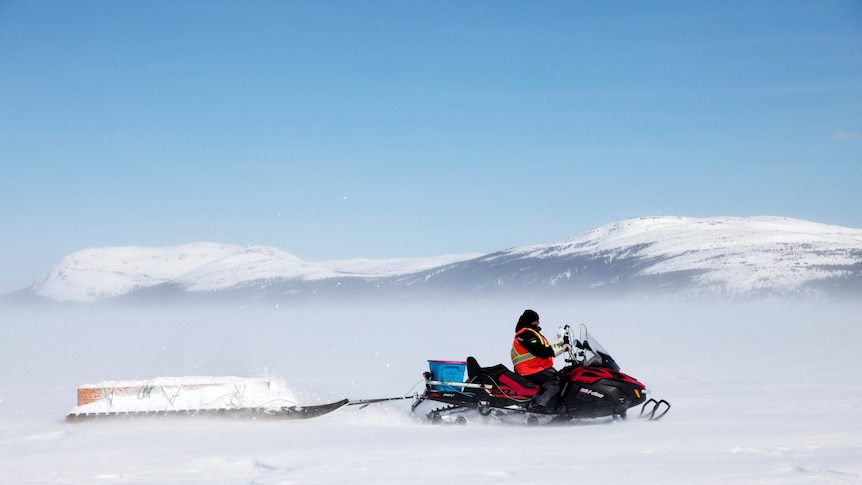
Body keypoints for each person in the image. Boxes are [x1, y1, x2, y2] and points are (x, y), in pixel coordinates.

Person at [510, 309, 571, 411]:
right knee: (555, 381)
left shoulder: (531, 333)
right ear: (530, 321)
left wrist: (561, 346)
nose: (538, 323)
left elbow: (546, 348)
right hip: (529, 369)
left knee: (564, 377)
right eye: (536, 320)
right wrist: (563, 348)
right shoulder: (525, 334)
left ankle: (558, 407)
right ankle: (537, 406)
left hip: (536, 367)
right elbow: (541, 351)